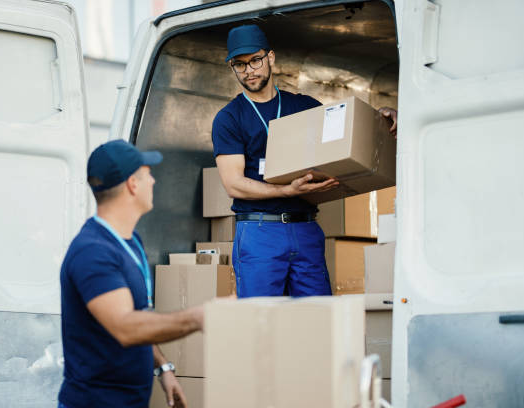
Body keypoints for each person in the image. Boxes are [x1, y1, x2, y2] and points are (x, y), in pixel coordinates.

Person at [211, 25, 397, 298]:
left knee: (317, 318)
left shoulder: (304, 106)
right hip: (260, 230)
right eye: (239, 65)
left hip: (305, 227)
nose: (249, 70)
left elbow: (342, 135)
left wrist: (380, 116)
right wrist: (287, 190)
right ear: (232, 68)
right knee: (261, 321)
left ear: (270, 58)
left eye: (255, 60)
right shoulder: (229, 118)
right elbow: (234, 184)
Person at [58, 140, 203, 408]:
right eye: (148, 174)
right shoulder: (92, 252)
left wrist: (163, 368)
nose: (154, 182)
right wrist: (199, 317)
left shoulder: (130, 241)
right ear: (132, 185)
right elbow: (126, 327)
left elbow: (139, 316)